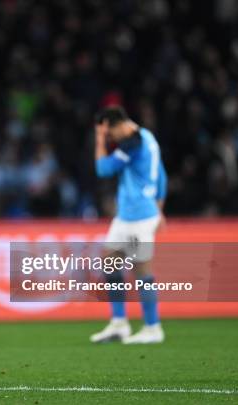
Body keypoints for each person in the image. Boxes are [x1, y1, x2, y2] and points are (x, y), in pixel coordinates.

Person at [90, 106, 168, 344]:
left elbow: (103, 169)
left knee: (141, 270)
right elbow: (161, 175)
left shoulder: (134, 143)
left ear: (116, 126)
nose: (111, 138)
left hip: (140, 216)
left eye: (110, 133)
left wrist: (99, 138)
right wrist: (160, 208)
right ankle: (119, 323)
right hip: (128, 215)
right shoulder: (148, 138)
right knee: (110, 262)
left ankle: (153, 328)